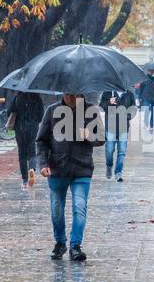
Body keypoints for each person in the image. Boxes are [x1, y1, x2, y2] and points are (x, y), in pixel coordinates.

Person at [36, 92, 104, 262]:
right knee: (56, 210)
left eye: (74, 94)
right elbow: (41, 140)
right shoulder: (52, 111)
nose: (70, 97)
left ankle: (75, 246)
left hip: (82, 168)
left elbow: (101, 138)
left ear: (80, 92)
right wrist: (43, 164)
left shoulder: (91, 111)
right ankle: (60, 243)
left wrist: (88, 135)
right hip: (57, 169)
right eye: (67, 93)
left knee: (79, 207)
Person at [7, 91, 46, 187]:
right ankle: (32, 168)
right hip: (33, 127)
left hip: (20, 128)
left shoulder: (17, 98)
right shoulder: (37, 98)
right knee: (32, 151)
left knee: (22, 153)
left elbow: (9, 113)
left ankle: (24, 179)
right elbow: (41, 115)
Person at [99, 87, 135, 181]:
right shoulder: (107, 93)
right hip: (110, 126)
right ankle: (109, 165)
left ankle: (118, 172)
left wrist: (127, 116)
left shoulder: (129, 94)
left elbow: (133, 108)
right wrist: (108, 102)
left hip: (123, 127)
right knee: (109, 150)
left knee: (122, 152)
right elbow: (101, 106)